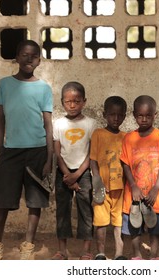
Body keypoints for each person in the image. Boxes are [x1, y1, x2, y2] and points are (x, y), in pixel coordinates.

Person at [0, 40, 53, 260]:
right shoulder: (4, 84)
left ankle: (28, 245)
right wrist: (0, 149)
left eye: (34, 56)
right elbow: (0, 119)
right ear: (16, 57)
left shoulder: (44, 87)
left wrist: (49, 157)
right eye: (24, 55)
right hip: (10, 152)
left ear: (39, 60)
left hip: (37, 150)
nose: (29, 59)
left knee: (35, 201)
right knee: (3, 201)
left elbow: (48, 123)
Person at [120, 95, 159, 260]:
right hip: (134, 192)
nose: (144, 119)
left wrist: (156, 188)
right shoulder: (129, 138)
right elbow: (125, 163)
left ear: (156, 115)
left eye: (148, 116)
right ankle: (137, 255)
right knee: (134, 226)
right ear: (134, 115)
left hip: (155, 192)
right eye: (140, 115)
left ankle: (154, 256)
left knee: (155, 226)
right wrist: (133, 185)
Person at [51, 81, 96, 260]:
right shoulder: (58, 123)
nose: (72, 105)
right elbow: (57, 151)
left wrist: (77, 175)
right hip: (63, 171)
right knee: (62, 210)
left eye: (76, 101)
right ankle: (62, 251)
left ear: (84, 102)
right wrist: (66, 174)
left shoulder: (91, 124)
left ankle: (86, 251)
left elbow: (92, 153)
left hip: (83, 172)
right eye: (68, 101)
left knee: (85, 209)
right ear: (62, 102)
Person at [90, 96, 128, 260]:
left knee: (119, 222)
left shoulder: (126, 137)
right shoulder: (98, 134)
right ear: (105, 114)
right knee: (101, 221)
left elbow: (128, 163)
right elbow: (93, 160)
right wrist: (97, 180)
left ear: (125, 116)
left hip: (120, 188)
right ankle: (101, 252)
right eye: (112, 114)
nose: (116, 118)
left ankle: (119, 253)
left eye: (120, 115)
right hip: (102, 187)